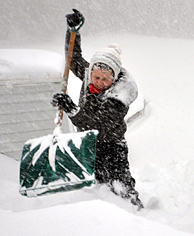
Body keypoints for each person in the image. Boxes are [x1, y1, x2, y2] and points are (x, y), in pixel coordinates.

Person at [51, 9, 143, 209]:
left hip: (112, 145)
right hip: (90, 143)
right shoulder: (89, 73)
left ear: (115, 77)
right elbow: (73, 59)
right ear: (91, 71)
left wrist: (72, 109)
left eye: (106, 79)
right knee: (98, 185)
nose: (100, 82)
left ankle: (137, 214)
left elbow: (97, 124)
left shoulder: (120, 95)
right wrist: (72, 32)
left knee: (121, 186)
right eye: (96, 77)